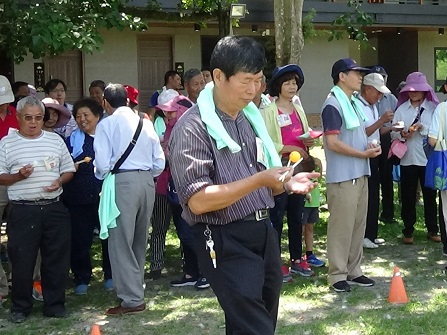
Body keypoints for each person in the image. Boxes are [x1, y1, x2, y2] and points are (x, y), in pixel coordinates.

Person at [169, 36, 318, 335]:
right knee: (256, 327)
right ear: (218, 76)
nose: (253, 90)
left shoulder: (249, 119)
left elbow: (265, 183)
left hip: (263, 232)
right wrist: (258, 180)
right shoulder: (193, 127)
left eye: (259, 80)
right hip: (224, 238)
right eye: (246, 81)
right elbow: (197, 200)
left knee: (255, 323)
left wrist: (286, 184)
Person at [0, 96, 75, 323]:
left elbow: (69, 169)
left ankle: (54, 304)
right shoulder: (7, 143)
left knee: (56, 258)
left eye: (38, 118)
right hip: (23, 209)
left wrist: (59, 182)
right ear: (19, 118)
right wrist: (18, 176)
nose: (33, 123)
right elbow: (1, 177)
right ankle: (20, 306)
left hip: (53, 207)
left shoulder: (54, 140)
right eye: (28, 118)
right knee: (22, 260)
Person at [94, 83, 165, 315]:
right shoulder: (145, 122)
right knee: (138, 239)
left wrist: (103, 173)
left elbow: (103, 165)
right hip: (147, 182)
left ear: (105, 103)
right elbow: (159, 162)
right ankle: (136, 290)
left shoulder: (106, 124)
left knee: (120, 241)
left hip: (121, 183)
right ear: (127, 100)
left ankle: (132, 299)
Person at [321, 58, 381, 293]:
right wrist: (361, 153)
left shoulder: (353, 103)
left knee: (358, 226)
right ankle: (337, 275)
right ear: (341, 77)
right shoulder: (333, 104)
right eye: (355, 73)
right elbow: (332, 142)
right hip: (343, 177)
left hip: (360, 173)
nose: (360, 77)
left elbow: (358, 132)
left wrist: (371, 146)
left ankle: (354, 270)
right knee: (341, 228)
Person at [261, 64, 316, 279]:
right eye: (287, 83)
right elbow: (264, 142)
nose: (292, 86)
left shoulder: (299, 109)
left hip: (299, 168)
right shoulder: (267, 111)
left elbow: (303, 135)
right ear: (278, 86)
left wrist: (308, 142)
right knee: (277, 215)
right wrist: (288, 148)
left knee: (297, 214)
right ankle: (276, 262)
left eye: (294, 82)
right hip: (279, 168)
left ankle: (296, 259)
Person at [63, 97, 112, 295]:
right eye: (78, 116)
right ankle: (82, 277)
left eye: (86, 115)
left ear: (98, 116)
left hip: (104, 196)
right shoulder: (71, 141)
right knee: (80, 238)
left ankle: (110, 275)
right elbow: (62, 164)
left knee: (108, 237)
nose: (82, 119)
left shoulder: (107, 138)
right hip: (77, 197)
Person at [391, 72, 440, 245]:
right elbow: (393, 132)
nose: (413, 93)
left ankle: (433, 229)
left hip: (428, 160)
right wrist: (402, 135)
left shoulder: (433, 109)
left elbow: (437, 132)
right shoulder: (402, 109)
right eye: (410, 90)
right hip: (407, 159)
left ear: (425, 91)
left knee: (430, 196)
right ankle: (408, 231)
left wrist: (422, 128)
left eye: (417, 90)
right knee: (408, 196)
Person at [357, 73, 393, 249]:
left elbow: (376, 131)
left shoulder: (372, 105)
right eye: (377, 92)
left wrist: (389, 126)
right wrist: (382, 121)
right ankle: (364, 235)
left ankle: (372, 233)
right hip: (364, 155)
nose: (380, 96)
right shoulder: (359, 106)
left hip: (375, 153)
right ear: (367, 89)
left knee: (374, 194)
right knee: (367, 195)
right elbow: (363, 132)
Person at [368, 66, 399, 224]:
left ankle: (388, 213)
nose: (382, 79)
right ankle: (370, 214)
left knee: (387, 176)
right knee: (372, 178)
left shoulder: (391, 98)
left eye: (384, 76)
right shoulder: (365, 100)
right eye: (378, 76)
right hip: (370, 141)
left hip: (387, 139)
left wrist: (394, 128)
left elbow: (397, 120)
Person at [0, 75, 18, 306]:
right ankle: (1, 286)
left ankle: (22, 280)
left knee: (20, 235)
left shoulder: (18, 114)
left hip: (18, 180)